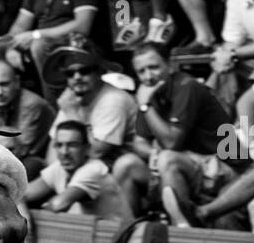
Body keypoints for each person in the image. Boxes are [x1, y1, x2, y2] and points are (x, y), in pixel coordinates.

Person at [111, 42, 234, 222]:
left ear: (169, 65)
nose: (148, 76)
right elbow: (139, 142)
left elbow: (171, 142)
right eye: (141, 71)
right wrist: (153, 152)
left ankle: (183, 229)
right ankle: (133, 230)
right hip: (189, 166)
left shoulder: (186, 86)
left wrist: (145, 106)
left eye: (153, 67)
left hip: (222, 166)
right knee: (125, 164)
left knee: (167, 159)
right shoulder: (151, 93)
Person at [44, 40, 137, 165]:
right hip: (86, 166)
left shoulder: (113, 99)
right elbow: (55, 144)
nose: (77, 77)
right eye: (70, 73)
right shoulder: (71, 100)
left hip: (112, 167)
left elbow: (95, 152)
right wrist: (53, 177)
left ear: (99, 72)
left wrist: (71, 113)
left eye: (84, 71)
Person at [25, 120, 131, 223]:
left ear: (87, 148)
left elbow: (58, 205)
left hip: (116, 234)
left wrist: (28, 219)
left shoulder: (93, 169)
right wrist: (22, 210)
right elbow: (22, 194)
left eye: (72, 145)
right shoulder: (60, 167)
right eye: (59, 145)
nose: (64, 152)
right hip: (88, 232)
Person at [0, 53, 54, 177]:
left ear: (17, 82)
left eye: (4, 84)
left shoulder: (32, 104)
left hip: (37, 160)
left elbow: (18, 148)